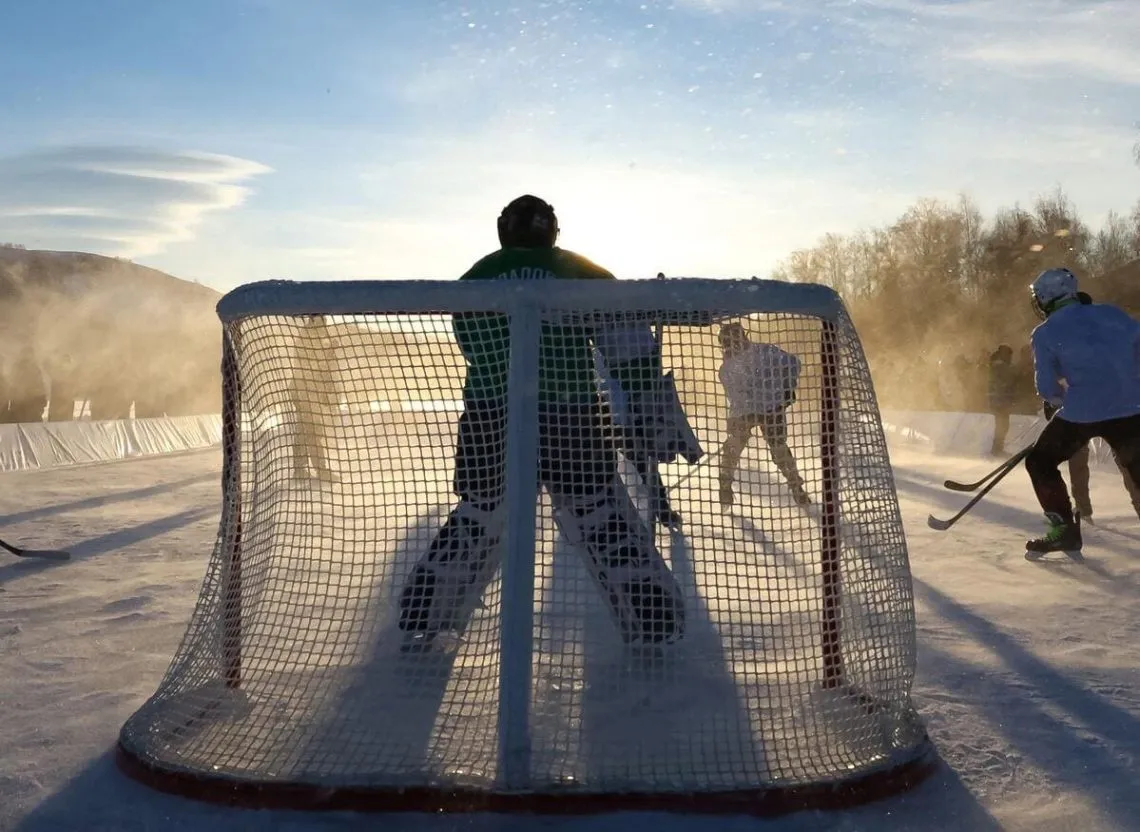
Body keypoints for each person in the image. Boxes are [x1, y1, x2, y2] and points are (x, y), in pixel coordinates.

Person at [397, 194, 686, 648]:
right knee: (595, 512)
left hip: (490, 413)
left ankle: (426, 610)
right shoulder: (579, 271)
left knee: (482, 509)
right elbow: (627, 342)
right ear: (552, 229)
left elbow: (473, 346)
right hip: (568, 414)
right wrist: (647, 397)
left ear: (503, 228)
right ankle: (651, 618)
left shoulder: (478, 275)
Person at [1023, 268, 1140, 557]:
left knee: (1040, 461)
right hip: (1132, 408)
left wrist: (1062, 399)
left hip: (1082, 413)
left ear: (1046, 299)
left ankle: (1064, 529)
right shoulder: (1113, 314)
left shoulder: (1045, 332)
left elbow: (1047, 387)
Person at [1042, 293, 1140, 523]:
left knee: (1126, 462)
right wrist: (1053, 401)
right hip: (1086, 411)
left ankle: (1083, 509)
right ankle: (1083, 510)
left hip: (1107, 411)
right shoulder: (1067, 339)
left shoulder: (1102, 337)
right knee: (1088, 460)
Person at [593, 329, 702, 530]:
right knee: (641, 456)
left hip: (635, 381)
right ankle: (660, 509)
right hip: (628, 384)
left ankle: (661, 510)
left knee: (644, 455)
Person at [716, 322, 809, 508]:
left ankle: (796, 487)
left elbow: (793, 364)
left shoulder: (765, 352)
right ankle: (725, 486)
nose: (729, 347)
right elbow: (736, 397)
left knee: (778, 447)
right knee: (733, 448)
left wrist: (787, 387)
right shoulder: (727, 368)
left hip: (771, 409)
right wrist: (750, 413)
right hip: (748, 413)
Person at [987, 345, 1017, 456]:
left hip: (999, 400)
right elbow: (1005, 382)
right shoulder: (1001, 367)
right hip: (1000, 400)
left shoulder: (997, 365)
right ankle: (997, 449)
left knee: (1002, 425)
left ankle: (998, 448)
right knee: (1002, 425)